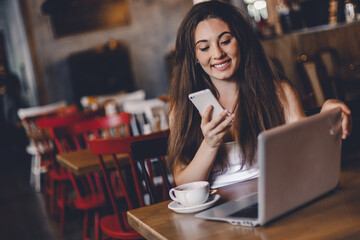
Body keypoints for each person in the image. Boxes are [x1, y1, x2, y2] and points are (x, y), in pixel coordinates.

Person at [167, 1, 352, 188]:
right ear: (194, 56)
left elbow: (308, 150)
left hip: (277, 196)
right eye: (204, 48)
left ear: (241, 40)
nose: (217, 53)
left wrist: (328, 115)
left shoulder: (279, 92)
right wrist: (210, 144)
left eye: (225, 41)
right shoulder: (182, 109)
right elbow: (182, 182)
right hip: (215, 210)